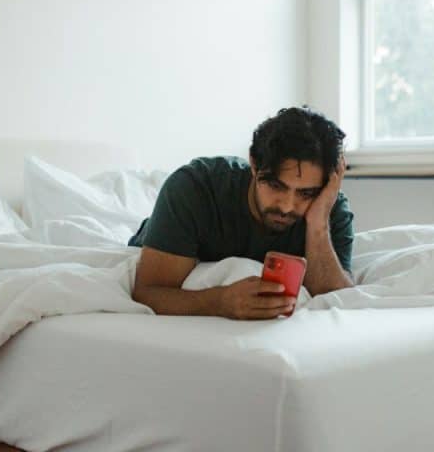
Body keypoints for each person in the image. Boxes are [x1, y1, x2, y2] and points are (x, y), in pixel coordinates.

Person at [129, 106, 354, 320]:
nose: (287, 206)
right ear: (254, 165)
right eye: (276, 186)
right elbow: (149, 292)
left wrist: (318, 225)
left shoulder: (328, 207)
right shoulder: (195, 188)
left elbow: (336, 298)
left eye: (305, 193)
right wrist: (219, 302)